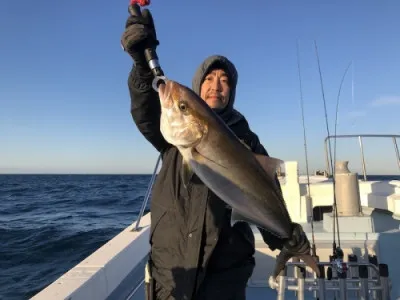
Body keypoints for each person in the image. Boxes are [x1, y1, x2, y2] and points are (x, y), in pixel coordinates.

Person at [121, 8, 311, 300]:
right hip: (171, 272)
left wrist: (288, 235)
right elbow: (145, 109)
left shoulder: (248, 140)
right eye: (209, 78)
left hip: (224, 279)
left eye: (225, 80)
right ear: (200, 86)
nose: (216, 85)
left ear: (231, 90)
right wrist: (140, 62)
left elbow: (264, 194)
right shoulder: (171, 139)